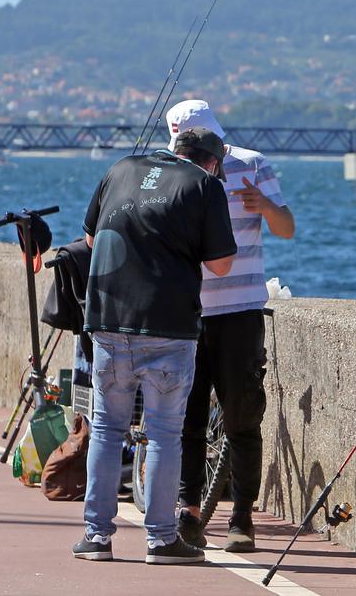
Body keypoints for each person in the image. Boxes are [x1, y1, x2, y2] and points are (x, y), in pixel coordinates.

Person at [74, 128, 236, 564]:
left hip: (108, 321)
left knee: (107, 429)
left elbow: (91, 239)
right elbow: (221, 264)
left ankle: (96, 537)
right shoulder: (203, 186)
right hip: (168, 328)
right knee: (165, 435)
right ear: (212, 162)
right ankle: (162, 539)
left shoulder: (120, 168)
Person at [165, 99, 296, 553]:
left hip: (240, 310)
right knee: (189, 416)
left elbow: (287, 228)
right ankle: (190, 512)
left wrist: (264, 204)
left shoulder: (252, 164)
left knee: (243, 414)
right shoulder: (171, 168)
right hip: (188, 312)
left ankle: (242, 516)